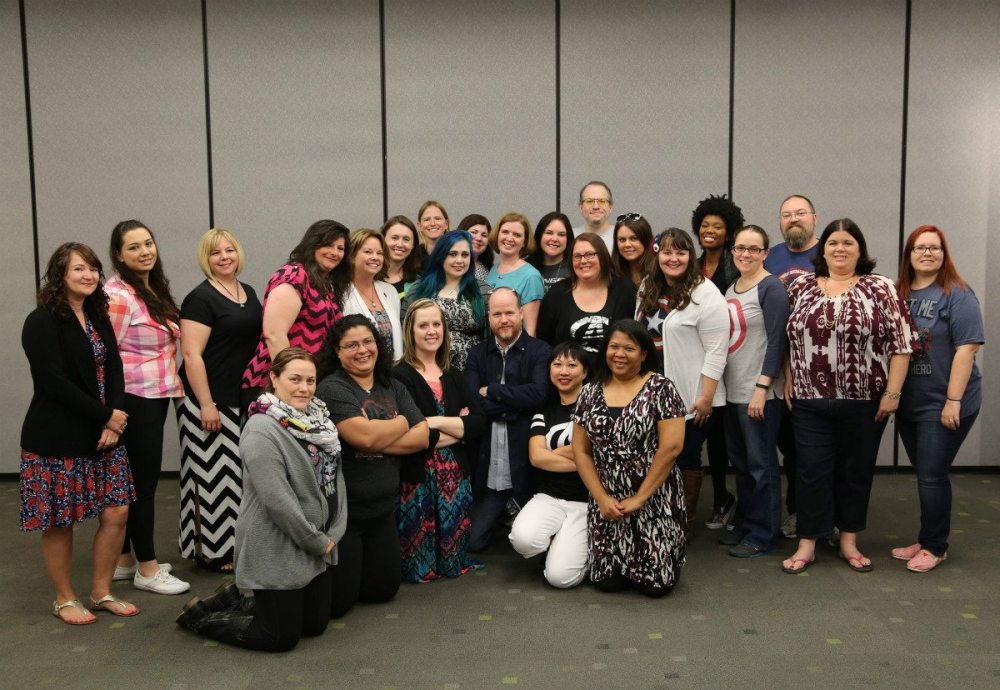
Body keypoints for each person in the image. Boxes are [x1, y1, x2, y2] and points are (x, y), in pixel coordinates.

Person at [176, 348, 347, 651]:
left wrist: (334, 531)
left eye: (310, 380)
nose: (304, 388)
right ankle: (200, 617)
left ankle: (235, 599)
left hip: (316, 539)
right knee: (280, 638)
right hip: (277, 541)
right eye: (294, 379)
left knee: (315, 625)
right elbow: (277, 501)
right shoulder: (261, 428)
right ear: (273, 378)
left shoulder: (319, 421)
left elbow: (335, 480)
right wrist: (316, 541)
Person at [782, 218, 915, 574]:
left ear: (860, 250)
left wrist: (893, 392)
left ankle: (848, 541)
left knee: (855, 472)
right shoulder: (801, 287)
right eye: (833, 243)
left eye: (848, 243)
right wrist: (790, 375)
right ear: (822, 250)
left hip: (865, 400)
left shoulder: (881, 288)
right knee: (810, 471)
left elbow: (902, 345)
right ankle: (807, 542)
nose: (840, 249)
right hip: (809, 400)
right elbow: (788, 337)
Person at [20, 242, 138, 624]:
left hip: (106, 432)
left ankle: (102, 592)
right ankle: (65, 598)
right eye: (78, 269)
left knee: (118, 510)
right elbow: (53, 383)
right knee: (60, 520)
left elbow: (115, 367)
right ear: (60, 276)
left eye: (93, 269)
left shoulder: (96, 313)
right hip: (57, 435)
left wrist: (114, 418)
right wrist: (106, 416)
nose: (89, 275)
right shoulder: (41, 321)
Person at [316, 315, 429, 617]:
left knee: (382, 592)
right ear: (337, 352)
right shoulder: (332, 388)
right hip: (346, 515)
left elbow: (421, 437)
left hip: (382, 510)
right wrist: (400, 423)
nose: (362, 350)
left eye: (367, 341)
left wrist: (379, 437)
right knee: (340, 604)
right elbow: (363, 438)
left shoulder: (391, 384)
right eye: (351, 345)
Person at [572, 319, 687, 597]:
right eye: (613, 347)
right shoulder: (589, 391)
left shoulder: (662, 388)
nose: (619, 354)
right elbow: (581, 451)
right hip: (608, 501)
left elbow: (671, 448)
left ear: (644, 354)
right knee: (606, 583)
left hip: (654, 500)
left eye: (629, 348)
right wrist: (600, 499)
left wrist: (639, 499)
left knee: (656, 586)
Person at [106, 220, 190, 595]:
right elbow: (106, 356)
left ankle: (124, 561)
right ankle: (148, 569)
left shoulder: (148, 288)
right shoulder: (118, 295)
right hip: (135, 399)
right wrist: (112, 411)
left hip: (155, 394)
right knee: (143, 484)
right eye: (134, 247)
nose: (145, 251)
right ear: (119, 255)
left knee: (134, 482)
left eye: (149, 243)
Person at [893, 225, 984, 573]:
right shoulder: (899, 292)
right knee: (925, 472)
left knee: (932, 474)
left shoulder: (957, 293)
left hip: (945, 401)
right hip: (909, 402)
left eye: (934, 248)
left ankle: (935, 545)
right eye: (919, 248)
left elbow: (967, 348)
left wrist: (953, 400)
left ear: (944, 254)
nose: (927, 253)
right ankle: (926, 536)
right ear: (910, 255)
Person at [177, 228, 262, 573]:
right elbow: (191, 354)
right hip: (207, 399)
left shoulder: (249, 291)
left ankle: (237, 545)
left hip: (240, 397)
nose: (224, 257)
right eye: (216, 253)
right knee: (213, 476)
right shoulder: (200, 298)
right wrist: (206, 404)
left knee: (239, 476)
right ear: (205, 259)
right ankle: (213, 552)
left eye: (229, 250)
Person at [635, 228, 728, 537]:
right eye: (667, 252)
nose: (674, 258)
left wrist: (706, 396)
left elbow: (718, 348)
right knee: (655, 455)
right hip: (652, 393)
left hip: (692, 396)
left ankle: (681, 525)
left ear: (691, 257)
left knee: (684, 456)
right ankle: (656, 516)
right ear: (657, 254)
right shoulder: (648, 286)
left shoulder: (706, 293)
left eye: (681, 252)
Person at [392, 299, 485, 582]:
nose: (431, 331)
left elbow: (478, 423)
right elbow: (410, 432)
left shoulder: (453, 374)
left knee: (453, 557)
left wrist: (433, 422)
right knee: (416, 560)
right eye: (423, 325)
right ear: (411, 331)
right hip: (416, 475)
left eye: (436, 324)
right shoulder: (399, 375)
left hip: (454, 475)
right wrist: (456, 426)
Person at [719, 226, 789, 558]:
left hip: (758, 392)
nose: (745, 254)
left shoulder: (771, 288)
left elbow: (778, 341)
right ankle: (746, 523)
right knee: (743, 464)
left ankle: (764, 532)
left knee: (762, 465)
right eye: (739, 248)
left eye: (753, 249)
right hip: (733, 391)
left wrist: (763, 387)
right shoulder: (731, 288)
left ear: (765, 253)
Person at [465, 288, 552, 551]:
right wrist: (515, 405)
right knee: (473, 543)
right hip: (490, 471)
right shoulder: (477, 354)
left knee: (537, 543)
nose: (504, 319)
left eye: (510, 313)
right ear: (489, 318)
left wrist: (492, 390)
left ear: (521, 313)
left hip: (526, 471)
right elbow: (472, 402)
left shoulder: (540, 351)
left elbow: (539, 395)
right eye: (497, 314)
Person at [509, 342, 591, 589]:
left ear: (585, 372)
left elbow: (598, 453)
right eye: (557, 365)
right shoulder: (543, 412)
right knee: (522, 540)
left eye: (572, 365)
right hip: (549, 496)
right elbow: (537, 458)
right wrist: (583, 458)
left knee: (560, 578)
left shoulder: (596, 405)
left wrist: (555, 452)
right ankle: (560, 540)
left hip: (585, 502)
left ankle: (586, 553)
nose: (563, 371)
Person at [763, 194, 821, 540]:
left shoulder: (829, 253)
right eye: (786, 215)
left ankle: (814, 516)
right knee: (786, 446)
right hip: (776, 367)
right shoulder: (770, 257)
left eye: (800, 213)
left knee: (809, 451)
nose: (793, 219)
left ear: (814, 218)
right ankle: (796, 512)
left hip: (815, 371)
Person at [242, 220, 351, 391]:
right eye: (328, 245)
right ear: (313, 244)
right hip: (275, 386)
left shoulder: (325, 283)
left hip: (305, 385)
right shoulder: (294, 274)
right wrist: (290, 381)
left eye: (340, 248)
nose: (335, 252)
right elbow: (274, 334)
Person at [691, 195, 744, 530]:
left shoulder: (735, 266)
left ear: (729, 232)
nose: (709, 231)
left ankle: (727, 498)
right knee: (702, 435)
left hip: (734, 359)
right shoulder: (693, 264)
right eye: (705, 225)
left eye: (717, 226)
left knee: (726, 438)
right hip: (700, 358)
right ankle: (720, 497)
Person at [537, 232, 637, 360]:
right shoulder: (557, 294)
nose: (583, 261)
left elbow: (637, 337)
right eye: (577, 256)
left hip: (615, 376)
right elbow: (543, 342)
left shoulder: (625, 290)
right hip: (570, 377)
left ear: (602, 256)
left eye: (590, 255)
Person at [403, 230, 485, 371]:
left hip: (472, 374)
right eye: (452, 254)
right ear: (441, 256)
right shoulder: (419, 289)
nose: (459, 260)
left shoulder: (482, 290)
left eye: (465, 255)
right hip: (427, 372)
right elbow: (405, 330)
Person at [342, 228, 403, 360]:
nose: (375, 257)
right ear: (352, 256)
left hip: (393, 373)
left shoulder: (390, 291)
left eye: (380, 253)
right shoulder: (340, 293)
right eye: (368, 252)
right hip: (357, 372)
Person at [485, 212, 544, 335]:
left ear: (524, 242)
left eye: (517, 235)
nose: (509, 238)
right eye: (505, 232)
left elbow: (530, 331)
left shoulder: (531, 276)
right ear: (497, 235)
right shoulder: (492, 271)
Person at [526, 212, 575, 293]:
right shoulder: (525, 267)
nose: (555, 239)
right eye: (549, 233)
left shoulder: (575, 268)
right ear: (539, 235)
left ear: (568, 239)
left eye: (561, 234)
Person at [381, 215, 422, 298]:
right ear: (382, 240)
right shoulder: (369, 278)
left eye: (406, 239)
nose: (400, 244)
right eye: (394, 238)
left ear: (413, 245)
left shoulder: (418, 284)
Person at [611, 213, 656, 288]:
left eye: (634, 238)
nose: (627, 244)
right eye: (622, 240)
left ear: (646, 240)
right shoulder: (611, 275)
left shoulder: (660, 272)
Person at [457, 213, 493, 298]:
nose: (479, 238)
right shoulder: (448, 265)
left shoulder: (491, 272)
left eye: (484, 235)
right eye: (474, 232)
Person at [575, 180, 616, 250]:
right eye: (589, 201)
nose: (596, 206)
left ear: (611, 207)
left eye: (602, 201)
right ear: (581, 207)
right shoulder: (570, 237)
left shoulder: (622, 238)